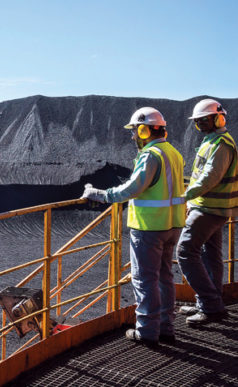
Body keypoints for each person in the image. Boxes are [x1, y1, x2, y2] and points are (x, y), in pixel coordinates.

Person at [82, 107, 185, 346]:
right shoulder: (173, 153)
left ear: (144, 129)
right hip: (172, 225)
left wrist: (99, 194)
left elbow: (132, 189)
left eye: (135, 132)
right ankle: (166, 327)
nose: (133, 137)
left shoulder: (151, 155)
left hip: (149, 227)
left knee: (144, 279)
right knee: (164, 278)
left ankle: (148, 331)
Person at [177, 99, 236, 325]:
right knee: (210, 255)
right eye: (198, 122)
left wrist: (183, 197)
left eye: (204, 120)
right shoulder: (211, 141)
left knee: (185, 251)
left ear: (218, 119)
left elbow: (209, 177)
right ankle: (212, 303)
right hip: (209, 206)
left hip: (210, 208)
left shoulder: (221, 144)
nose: (200, 125)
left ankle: (209, 305)